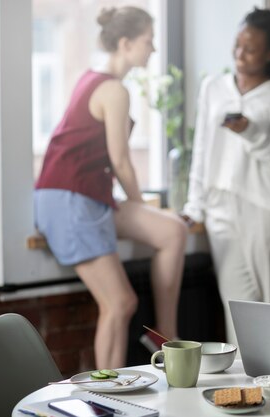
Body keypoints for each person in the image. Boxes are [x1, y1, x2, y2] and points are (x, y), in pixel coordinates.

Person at [34, 6, 187, 369]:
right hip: (68, 200)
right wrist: (142, 204)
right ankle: (106, 395)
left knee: (174, 230)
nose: (152, 49)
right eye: (148, 42)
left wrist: (147, 210)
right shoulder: (112, 89)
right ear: (125, 43)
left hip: (88, 195)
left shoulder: (95, 79)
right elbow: (120, 160)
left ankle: (166, 336)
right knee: (120, 303)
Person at [182, 8, 270, 345]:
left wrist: (251, 131)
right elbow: (202, 149)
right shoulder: (213, 88)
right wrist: (195, 205)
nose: (239, 54)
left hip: (266, 208)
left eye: (249, 49)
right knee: (236, 308)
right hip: (221, 207)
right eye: (237, 45)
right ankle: (245, 391)